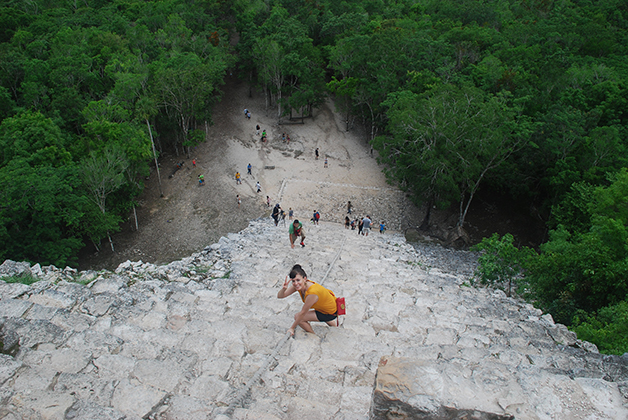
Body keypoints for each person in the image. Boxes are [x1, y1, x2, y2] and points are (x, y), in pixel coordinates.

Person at [277, 264, 339, 335]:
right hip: (325, 307)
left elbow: (303, 313)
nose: (296, 283)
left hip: (331, 312)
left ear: (304, 279)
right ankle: (333, 325)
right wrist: (284, 289)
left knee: (298, 317)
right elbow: (280, 296)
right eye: (293, 281)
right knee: (318, 309)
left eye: (298, 280)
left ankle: (312, 335)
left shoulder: (312, 293)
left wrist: (292, 328)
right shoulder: (299, 285)